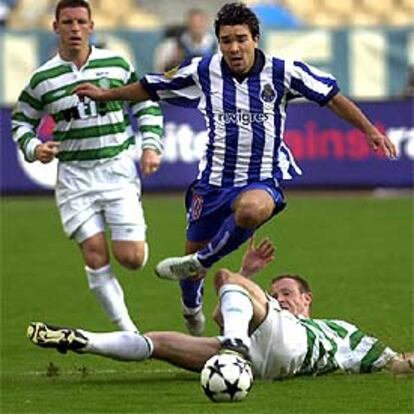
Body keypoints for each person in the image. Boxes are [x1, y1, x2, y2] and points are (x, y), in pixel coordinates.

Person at [73, 2, 398, 337]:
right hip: (212, 184)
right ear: (218, 42)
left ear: (255, 39)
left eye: (241, 39)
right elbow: (151, 86)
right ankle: (191, 306)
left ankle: (202, 262)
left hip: (260, 178)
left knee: (253, 210)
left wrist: (370, 130)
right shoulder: (203, 71)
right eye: (226, 40)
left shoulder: (283, 72)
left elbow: (331, 96)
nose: (234, 47)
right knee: (190, 276)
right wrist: (105, 95)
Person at [27, 237, 413, 379]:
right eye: (275, 292)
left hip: (290, 347)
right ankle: (83, 339)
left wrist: (240, 278)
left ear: (307, 298)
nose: (279, 297)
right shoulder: (265, 314)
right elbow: (220, 313)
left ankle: (233, 346)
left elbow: (397, 362)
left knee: (225, 275)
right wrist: (247, 277)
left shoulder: (339, 329)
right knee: (158, 342)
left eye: (287, 292)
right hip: (257, 364)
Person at [11, 0, 164, 333]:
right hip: (75, 178)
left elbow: (145, 104)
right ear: (55, 27)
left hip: (117, 169)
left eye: (81, 21)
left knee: (132, 259)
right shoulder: (43, 79)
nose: (75, 28)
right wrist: (35, 147)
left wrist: (151, 145)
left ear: (92, 26)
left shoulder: (117, 64)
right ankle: (129, 333)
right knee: (95, 254)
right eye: (67, 22)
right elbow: (21, 121)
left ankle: (133, 238)